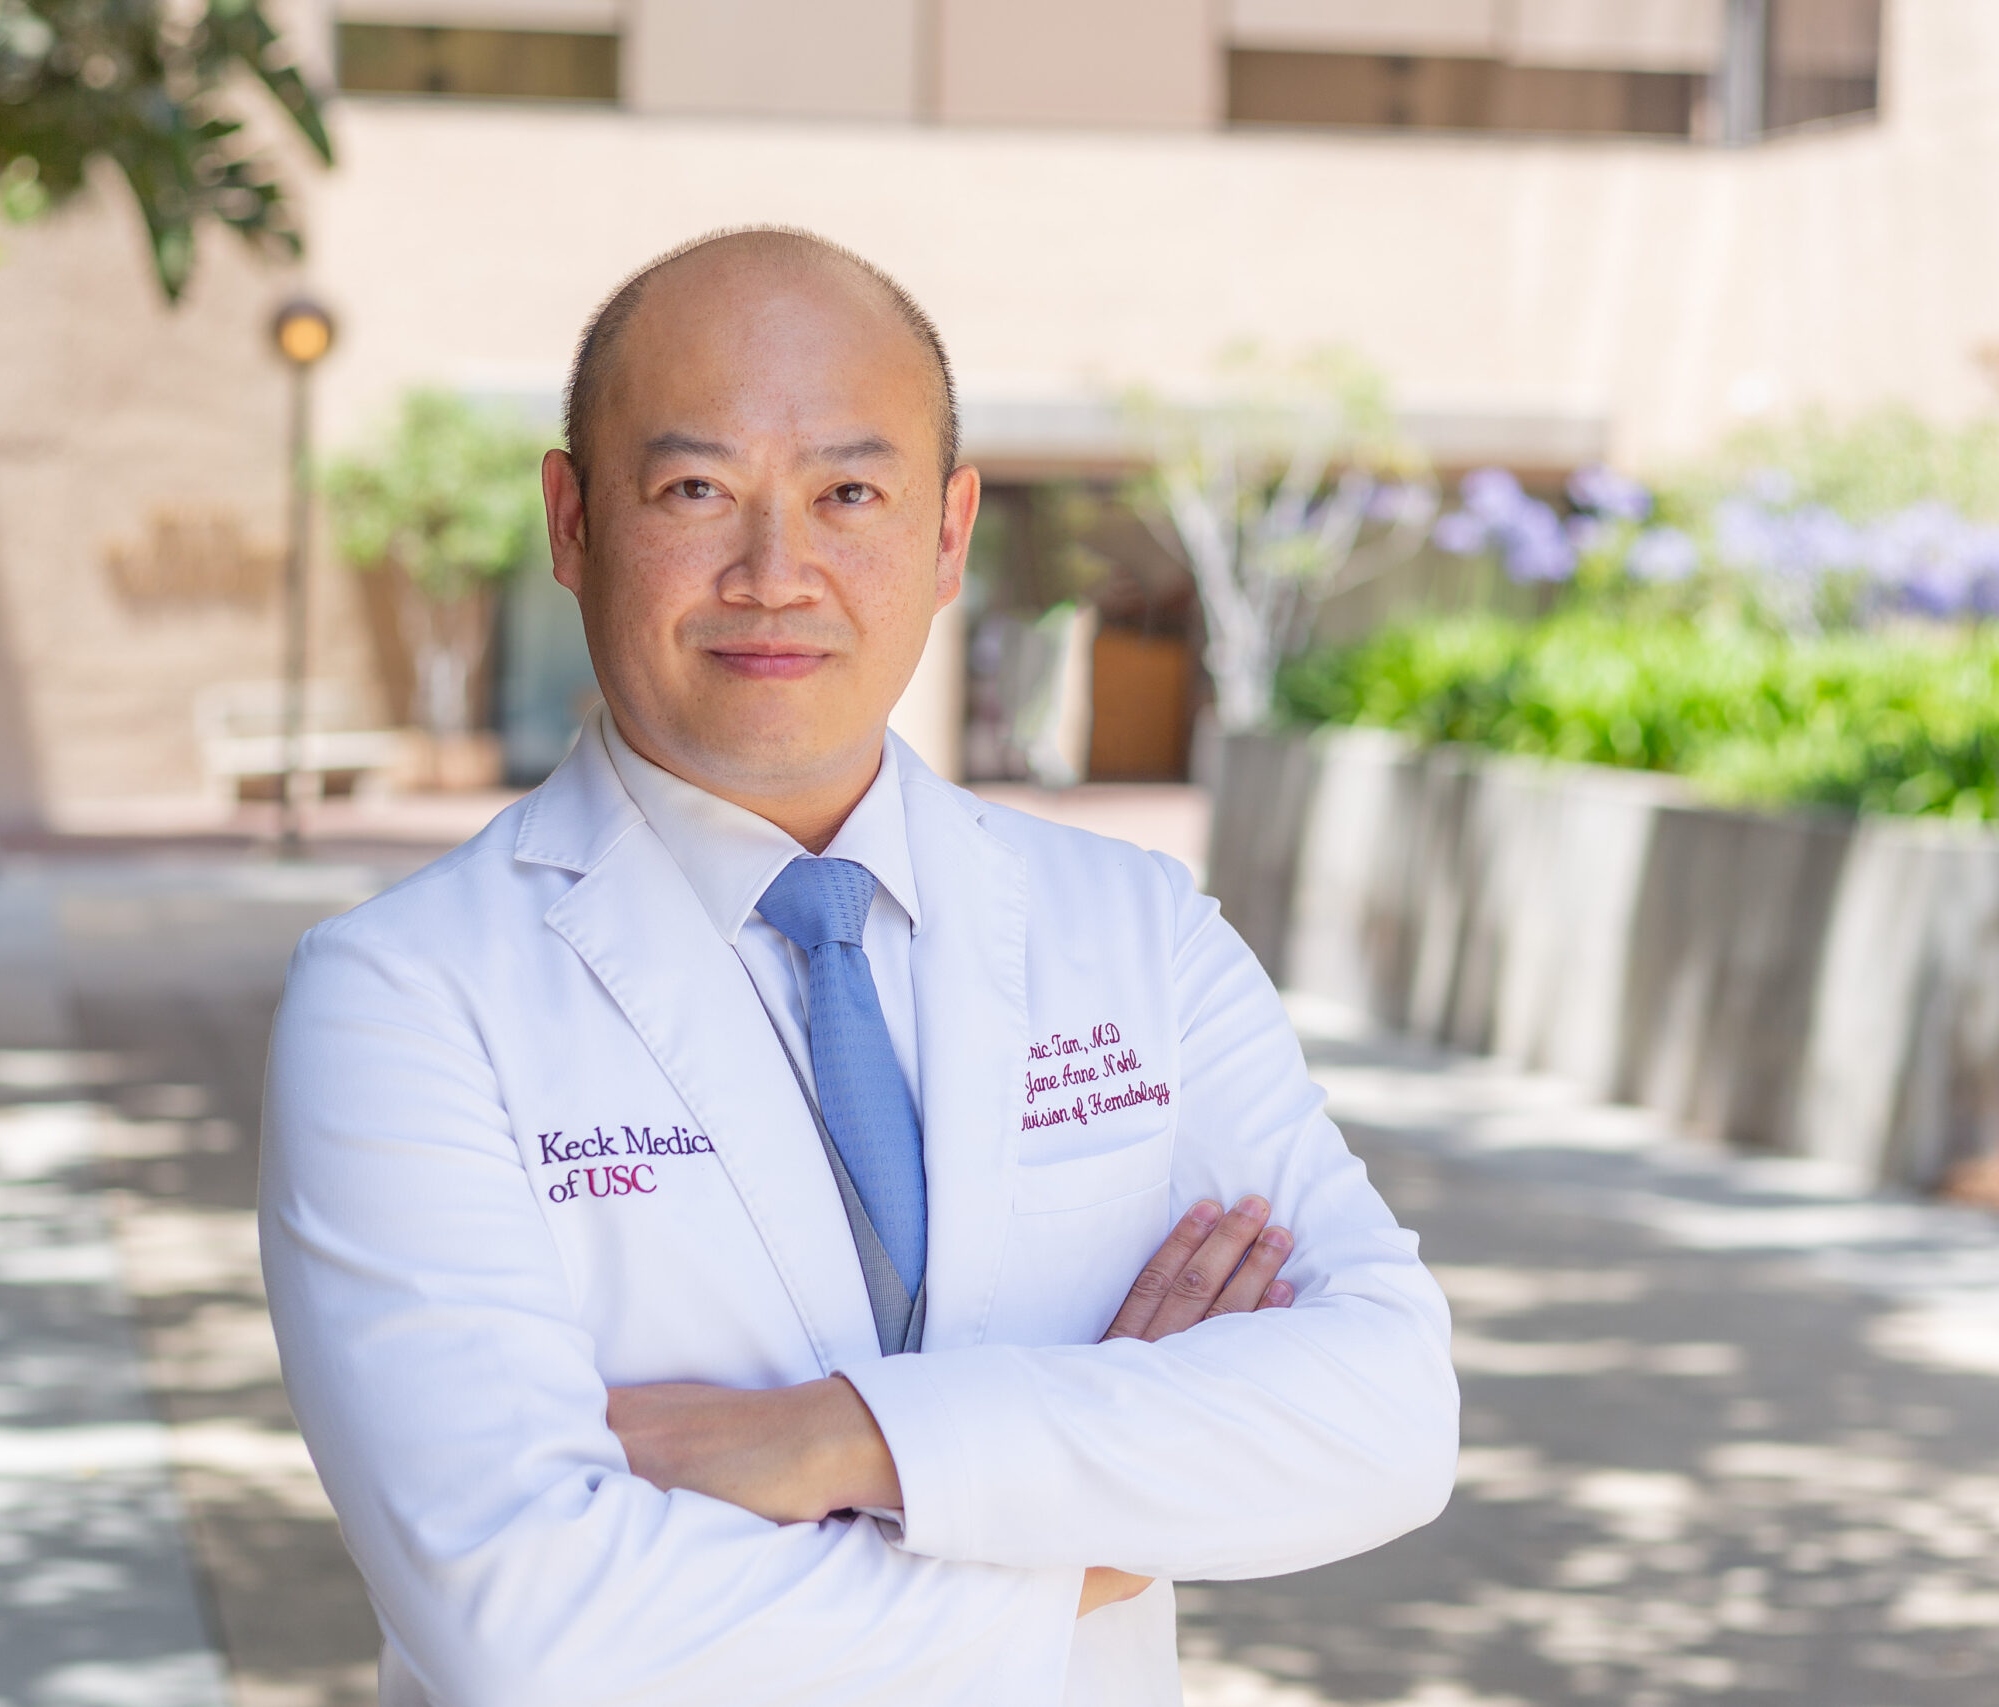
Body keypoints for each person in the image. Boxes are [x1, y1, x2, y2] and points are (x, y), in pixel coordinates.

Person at [261, 227, 1458, 1707]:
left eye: (849, 494)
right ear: (572, 521)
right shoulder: (402, 996)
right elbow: (530, 1627)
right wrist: (1109, 1529)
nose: (776, 574)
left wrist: (840, 1441)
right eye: (696, 490)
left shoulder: (1138, 932)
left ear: (949, 532)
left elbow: (1389, 1416)